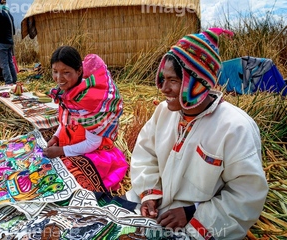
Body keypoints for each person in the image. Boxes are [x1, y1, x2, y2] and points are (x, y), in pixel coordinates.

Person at [126, 28, 269, 239]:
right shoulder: (163, 113)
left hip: (199, 226)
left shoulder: (235, 128)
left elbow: (246, 194)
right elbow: (146, 153)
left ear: (197, 83)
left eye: (173, 80)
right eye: (162, 79)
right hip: (152, 211)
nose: (163, 88)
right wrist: (149, 193)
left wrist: (192, 212)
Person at [43, 46, 128, 191]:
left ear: (79, 71)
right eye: (55, 71)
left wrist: (60, 151)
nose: (59, 78)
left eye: (66, 72)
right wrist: (56, 137)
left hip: (93, 154)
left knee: (67, 182)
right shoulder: (67, 94)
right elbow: (66, 121)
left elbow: (92, 144)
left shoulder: (88, 101)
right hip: (70, 145)